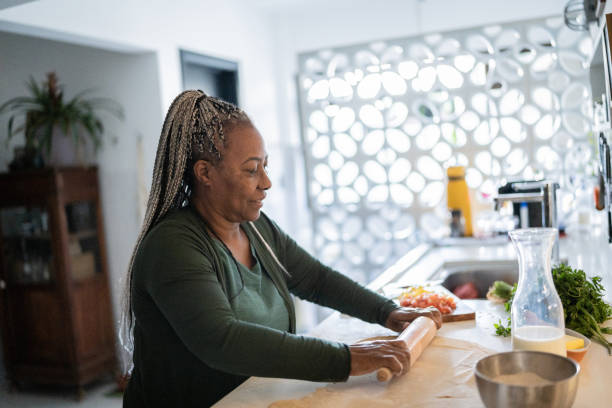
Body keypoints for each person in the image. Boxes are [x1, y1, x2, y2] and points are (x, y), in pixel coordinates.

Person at [121, 90, 442, 407]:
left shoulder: (255, 228)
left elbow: (315, 279)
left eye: (265, 166)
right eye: (251, 169)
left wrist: (387, 312)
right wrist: (348, 359)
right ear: (205, 173)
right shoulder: (173, 246)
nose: (266, 182)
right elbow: (222, 341)